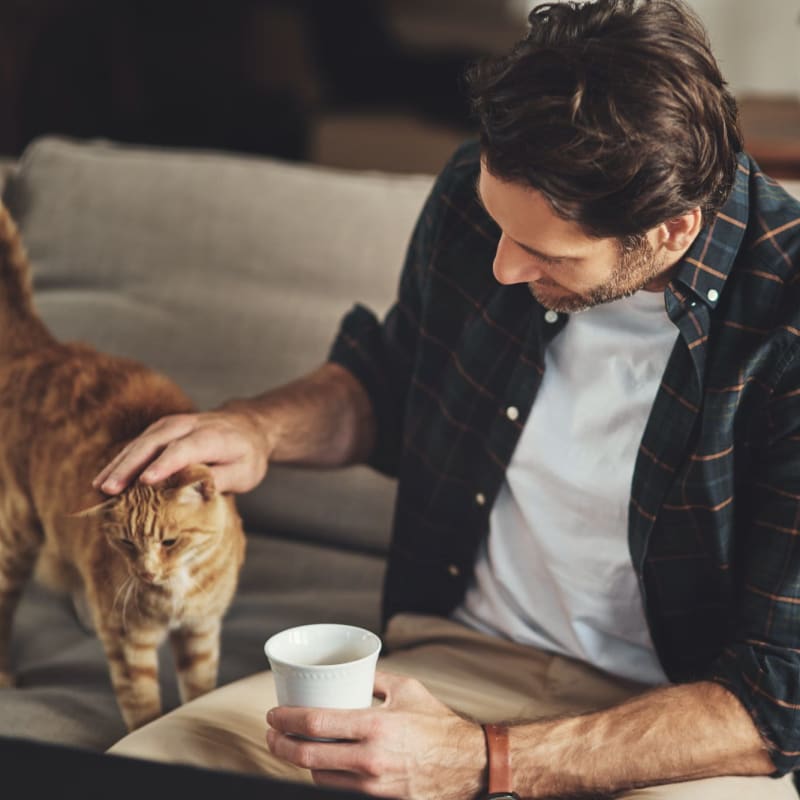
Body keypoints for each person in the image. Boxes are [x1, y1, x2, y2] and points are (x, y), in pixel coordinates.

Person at [95, 1, 800, 798]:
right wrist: (257, 430)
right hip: (447, 661)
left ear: (669, 232)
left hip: (673, 729)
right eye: (500, 225)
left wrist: (479, 761)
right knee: (140, 777)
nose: (500, 267)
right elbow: (393, 382)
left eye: (542, 251)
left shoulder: (785, 321)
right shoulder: (476, 187)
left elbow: (774, 701)